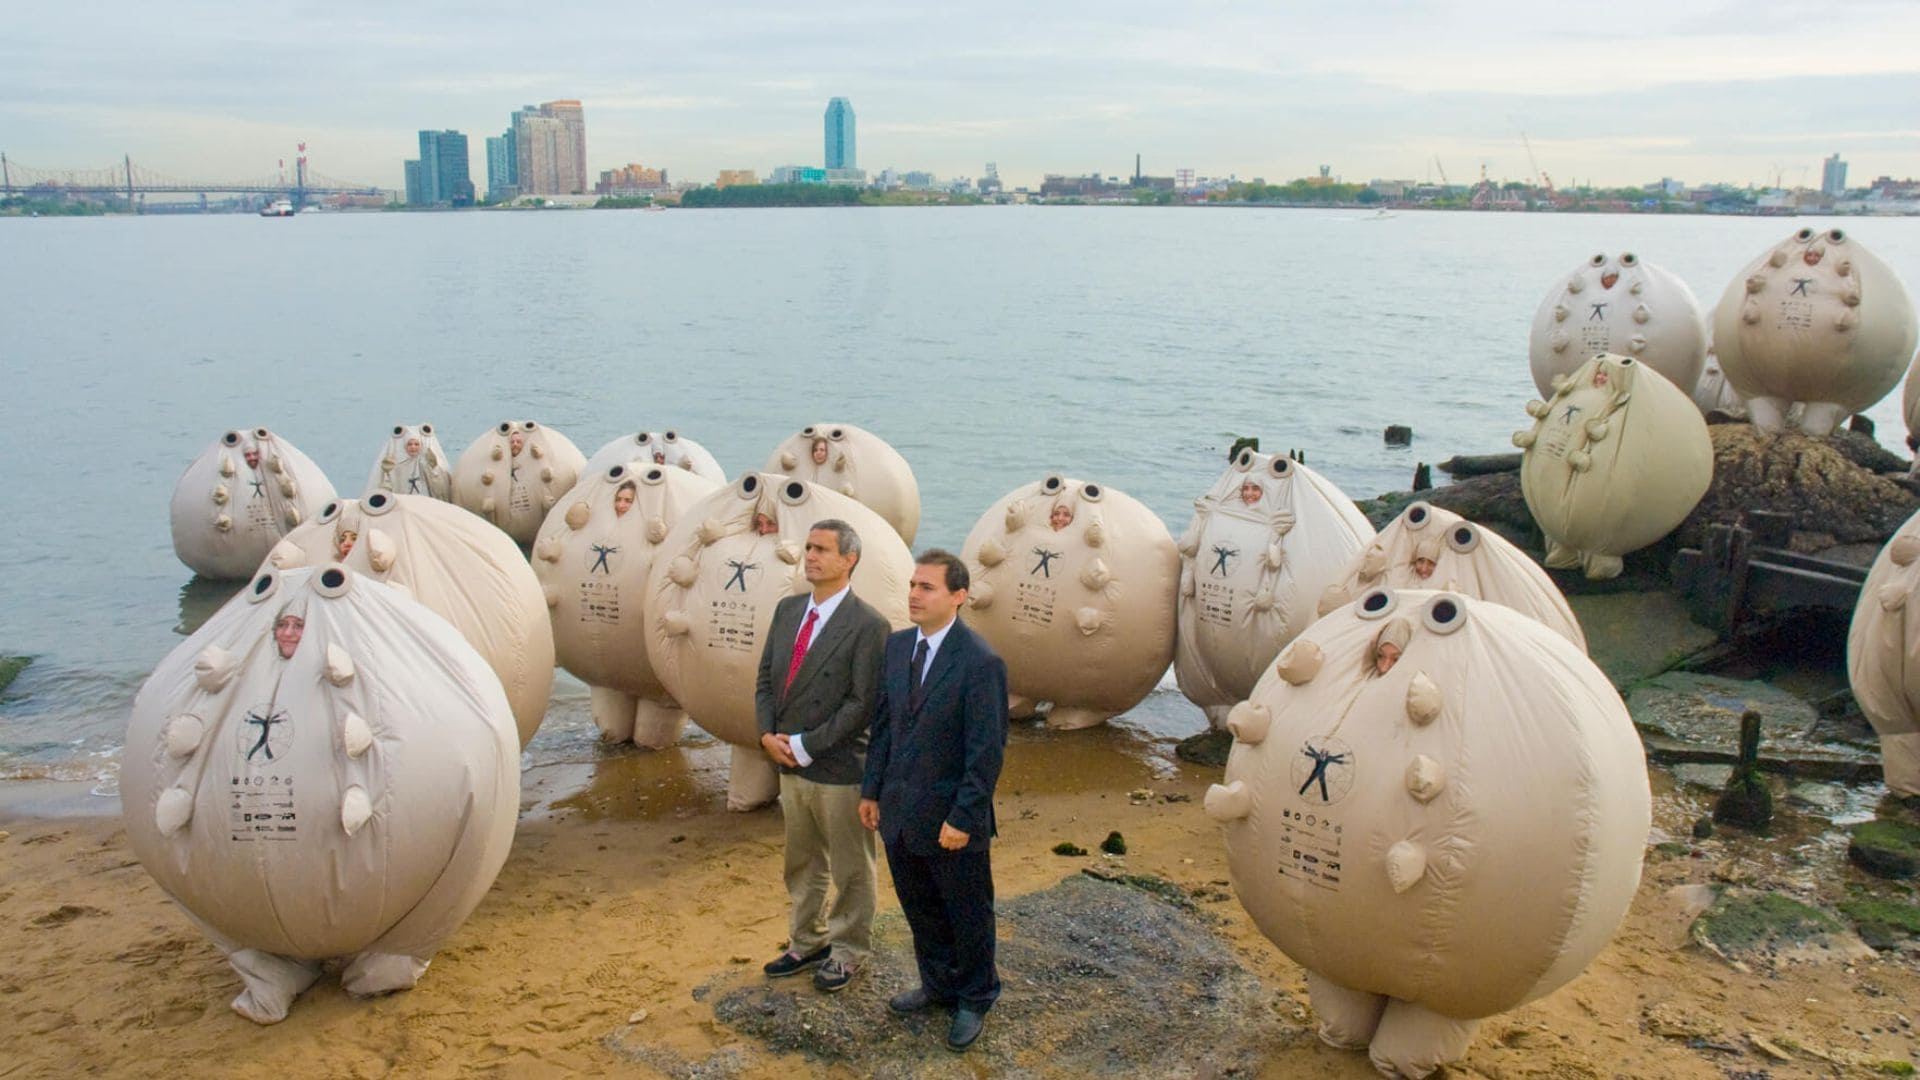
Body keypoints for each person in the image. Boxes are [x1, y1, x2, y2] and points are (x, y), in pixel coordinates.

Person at [861, 550, 1009, 1053]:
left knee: (967, 912)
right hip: (899, 810)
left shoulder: (980, 662)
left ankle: (975, 996)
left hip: (951, 819)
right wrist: (871, 791)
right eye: (912, 585)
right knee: (920, 908)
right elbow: (884, 726)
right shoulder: (899, 647)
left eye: (927, 587)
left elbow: (985, 751)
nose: (914, 595)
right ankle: (938, 984)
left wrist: (964, 817)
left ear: (958, 596)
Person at [754, 520, 890, 993]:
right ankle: (807, 940)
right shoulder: (788, 609)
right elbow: (768, 679)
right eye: (808, 547)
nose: (810, 556)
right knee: (802, 860)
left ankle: (849, 950)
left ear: (849, 559)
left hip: (837, 767)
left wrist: (807, 745)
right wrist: (768, 734)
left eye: (822, 550)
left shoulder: (869, 625)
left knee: (852, 865)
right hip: (786, 758)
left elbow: (862, 703)